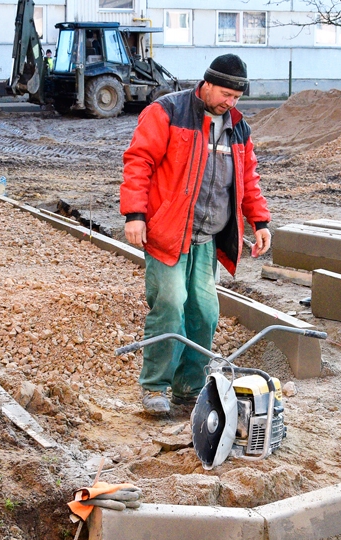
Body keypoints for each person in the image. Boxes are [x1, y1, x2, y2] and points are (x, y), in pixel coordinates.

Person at [120, 54, 271, 415]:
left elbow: (248, 180)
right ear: (206, 84)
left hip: (207, 238)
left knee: (204, 314)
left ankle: (188, 390)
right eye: (225, 95)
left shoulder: (237, 128)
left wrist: (260, 222)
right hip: (168, 234)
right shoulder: (167, 112)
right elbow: (138, 161)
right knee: (170, 305)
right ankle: (155, 387)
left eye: (236, 98)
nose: (230, 103)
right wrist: (135, 214)